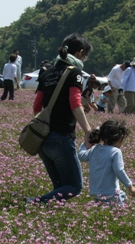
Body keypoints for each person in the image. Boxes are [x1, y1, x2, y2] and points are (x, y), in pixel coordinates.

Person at [26, 33, 93, 204]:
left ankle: (47, 217)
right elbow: (75, 103)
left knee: (60, 188)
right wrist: (88, 131)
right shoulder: (74, 73)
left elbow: (36, 106)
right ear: (80, 52)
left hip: (43, 140)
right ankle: (34, 203)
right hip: (62, 136)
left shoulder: (47, 73)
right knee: (74, 186)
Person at [77, 119, 135, 206]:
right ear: (119, 138)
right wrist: (130, 186)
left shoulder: (95, 148)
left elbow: (81, 156)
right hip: (110, 193)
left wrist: (86, 142)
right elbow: (119, 170)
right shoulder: (115, 152)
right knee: (118, 213)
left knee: (101, 213)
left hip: (96, 193)